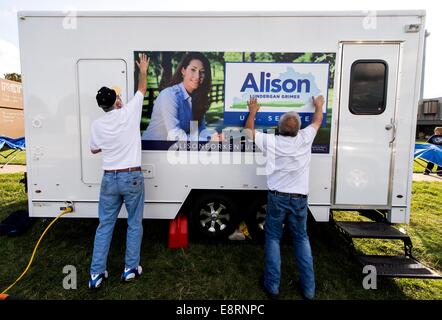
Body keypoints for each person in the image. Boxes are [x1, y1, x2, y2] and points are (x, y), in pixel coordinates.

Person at [244, 95, 324, 300]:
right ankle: (309, 290)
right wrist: (319, 105)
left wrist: (252, 112)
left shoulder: (271, 141)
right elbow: (317, 121)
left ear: (279, 128)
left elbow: (248, 132)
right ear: (298, 129)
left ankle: (272, 286)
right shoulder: (306, 138)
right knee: (301, 239)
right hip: (299, 199)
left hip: (277, 198)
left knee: (272, 238)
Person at [88, 53, 149, 289]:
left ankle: (96, 274)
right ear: (117, 100)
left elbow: (94, 150)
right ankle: (130, 268)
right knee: (134, 223)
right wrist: (142, 69)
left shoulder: (97, 124)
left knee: (105, 225)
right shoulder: (129, 112)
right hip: (131, 176)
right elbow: (142, 89)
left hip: (109, 178)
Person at [142, 52, 213, 141]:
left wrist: (214, 138)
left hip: (175, 151)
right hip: (151, 150)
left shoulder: (197, 99)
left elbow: (200, 131)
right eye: (193, 70)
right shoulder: (169, 95)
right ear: (183, 71)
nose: (197, 76)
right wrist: (208, 141)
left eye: (202, 72)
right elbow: (175, 136)